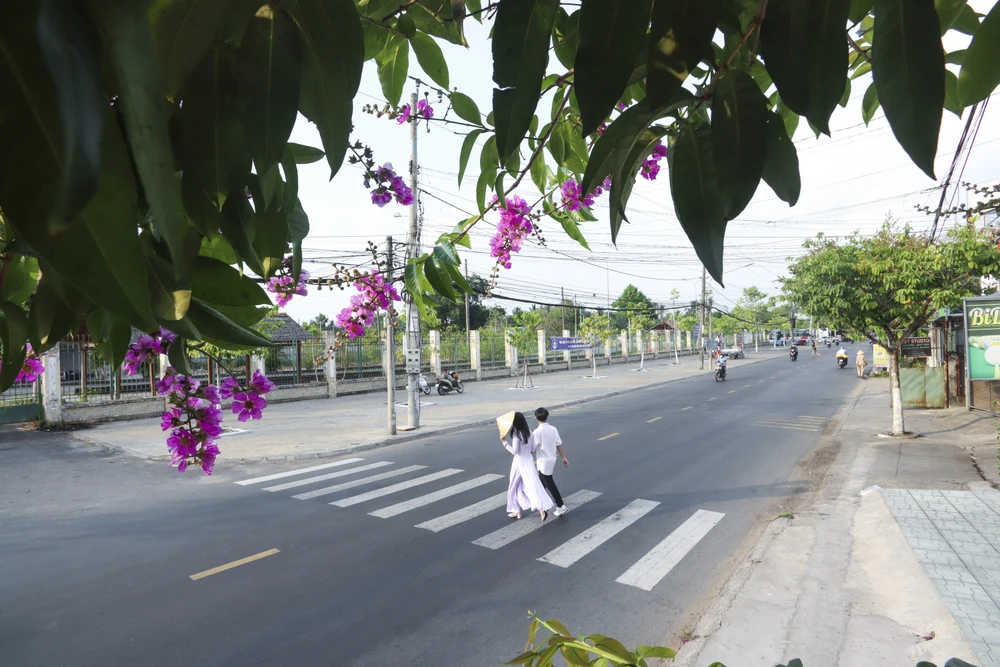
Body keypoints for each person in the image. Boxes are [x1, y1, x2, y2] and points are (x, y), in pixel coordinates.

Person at [498, 411, 553, 521]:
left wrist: (504, 442)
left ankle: (516, 510)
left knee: (513, 485)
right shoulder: (529, 432)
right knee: (531, 485)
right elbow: (532, 448)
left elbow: (515, 451)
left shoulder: (516, 435)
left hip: (519, 462)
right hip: (529, 460)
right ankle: (541, 508)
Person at [533, 407, 569, 516]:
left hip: (543, 462)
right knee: (541, 483)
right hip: (552, 459)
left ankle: (560, 505)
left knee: (550, 484)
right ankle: (542, 504)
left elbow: (532, 448)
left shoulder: (536, 432)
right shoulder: (553, 429)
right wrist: (564, 457)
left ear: (536, 418)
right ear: (547, 416)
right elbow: (558, 444)